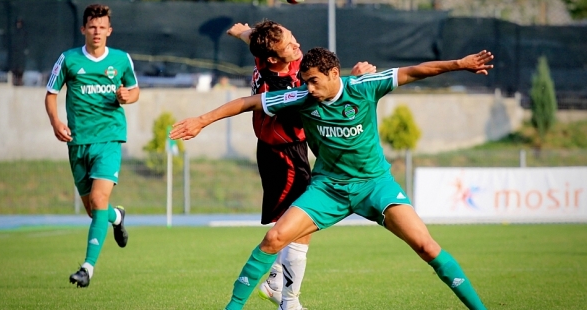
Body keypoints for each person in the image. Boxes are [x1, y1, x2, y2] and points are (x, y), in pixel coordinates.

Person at [170, 47, 494, 310]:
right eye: (304, 81)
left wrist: (460, 64)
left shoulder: (364, 86)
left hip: (374, 185)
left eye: (313, 81)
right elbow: (248, 103)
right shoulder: (301, 98)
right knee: (273, 239)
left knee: (426, 246)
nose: (308, 88)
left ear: (334, 74)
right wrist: (201, 120)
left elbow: (415, 70)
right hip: (328, 189)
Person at [226, 20, 376, 310]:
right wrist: (353, 81)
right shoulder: (282, 87)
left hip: (282, 150)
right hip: (284, 155)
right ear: (273, 59)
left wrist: (240, 32)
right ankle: (284, 296)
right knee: (299, 224)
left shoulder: (267, 54)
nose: (297, 44)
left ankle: (277, 282)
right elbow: (322, 99)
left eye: (292, 36)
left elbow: (253, 40)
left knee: (293, 224)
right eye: (289, 43)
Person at [44, 4, 140, 288]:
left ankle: (87, 267)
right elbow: (50, 94)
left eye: (102, 27)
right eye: (92, 27)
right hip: (77, 143)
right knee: (94, 210)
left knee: (98, 201)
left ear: (109, 31)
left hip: (109, 140)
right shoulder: (68, 59)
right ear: (83, 29)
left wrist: (126, 96)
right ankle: (117, 216)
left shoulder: (121, 60)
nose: (97, 32)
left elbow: (135, 90)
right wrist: (55, 121)